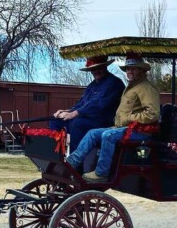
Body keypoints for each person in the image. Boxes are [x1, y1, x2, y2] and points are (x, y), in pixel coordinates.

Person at [65, 53, 160, 182]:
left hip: (141, 131)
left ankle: (101, 173)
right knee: (93, 133)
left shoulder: (146, 88)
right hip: (125, 128)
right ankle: (72, 162)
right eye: (127, 68)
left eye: (133, 68)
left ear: (141, 70)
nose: (129, 71)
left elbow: (153, 114)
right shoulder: (132, 86)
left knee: (108, 136)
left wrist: (129, 118)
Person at [50, 55, 125, 152]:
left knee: (77, 123)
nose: (96, 71)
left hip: (105, 122)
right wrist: (66, 111)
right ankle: (56, 156)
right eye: (93, 69)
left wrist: (74, 114)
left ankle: (75, 162)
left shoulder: (113, 83)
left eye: (99, 68)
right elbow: (82, 103)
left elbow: (97, 105)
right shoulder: (92, 85)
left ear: (105, 67)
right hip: (88, 118)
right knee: (55, 120)